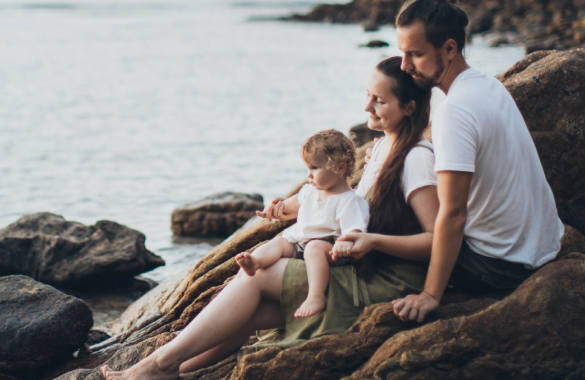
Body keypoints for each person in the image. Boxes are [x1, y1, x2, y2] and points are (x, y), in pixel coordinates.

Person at [101, 56, 439, 380]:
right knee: (250, 313)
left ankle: (158, 363)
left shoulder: (415, 160)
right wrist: (292, 208)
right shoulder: (381, 147)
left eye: (378, 100)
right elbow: (341, 203)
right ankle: (173, 370)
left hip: (388, 279)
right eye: (368, 95)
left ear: (408, 107)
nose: (367, 106)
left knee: (257, 277)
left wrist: (373, 242)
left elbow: (437, 242)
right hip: (359, 265)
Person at [388, 0, 564, 323]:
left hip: (501, 265)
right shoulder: (485, 84)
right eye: (402, 53)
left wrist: (430, 295)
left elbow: (453, 214)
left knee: (396, 224)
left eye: (415, 54)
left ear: (449, 48)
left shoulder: (453, 112)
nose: (403, 65)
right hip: (544, 246)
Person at [235, 129, 370, 318]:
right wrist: (273, 209)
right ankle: (256, 262)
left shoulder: (349, 201)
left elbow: (354, 230)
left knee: (314, 248)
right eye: (308, 169)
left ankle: (316, 296)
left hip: (330, 249)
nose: (309, 175)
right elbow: (289, 205)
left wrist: (345, 244)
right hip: (301, 243)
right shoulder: (310, 191)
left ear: (339, 168)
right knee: (280, 241)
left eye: (314, 168)